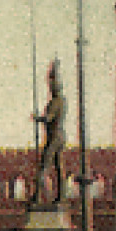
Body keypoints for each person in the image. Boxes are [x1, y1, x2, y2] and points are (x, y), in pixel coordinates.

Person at [31, 59, 67, 206]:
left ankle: (38, 196)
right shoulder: (61, 100)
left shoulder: (55, 102)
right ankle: (61, 196)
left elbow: (49, 118)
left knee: (44, 167)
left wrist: (37, 118)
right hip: (60, 136)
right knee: (59, 167)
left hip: (54, 137)